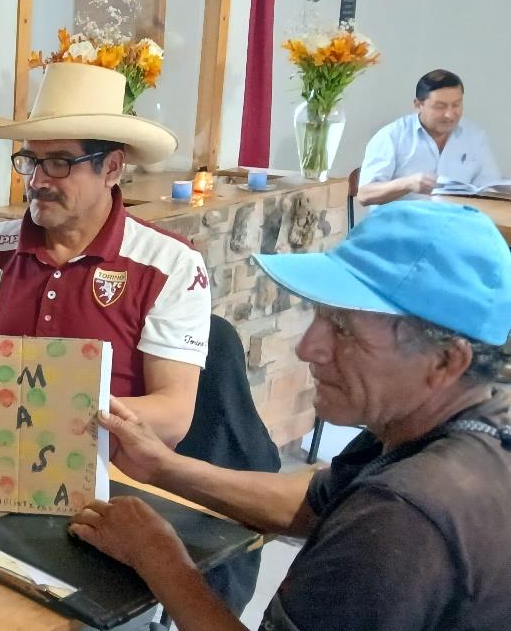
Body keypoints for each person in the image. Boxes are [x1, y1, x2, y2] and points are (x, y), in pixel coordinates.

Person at [69, 201, 511, 630]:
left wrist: (159, 558)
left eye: (343, 329)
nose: (307, 348)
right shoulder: (447, 421)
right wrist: (163, 467)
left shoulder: (402, 517)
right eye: (321, 316)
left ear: (445, 361)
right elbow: (314, 503)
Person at [0, 62, 211, 447]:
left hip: (107, 475)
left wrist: (41, 404)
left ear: (111, 168)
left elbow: (173, 416)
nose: (37, 181)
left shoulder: (170, 265)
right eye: (30, 161)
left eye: (59, 163)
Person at [358, 69, 502, 205]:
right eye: (440, 106)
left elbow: (491, 187)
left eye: (456, 105)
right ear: (418, 105)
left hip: (456, 218)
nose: (449, 114)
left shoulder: (474, 137)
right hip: (402, 219)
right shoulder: (392, 136)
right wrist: (407, 184)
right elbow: (364, 195)